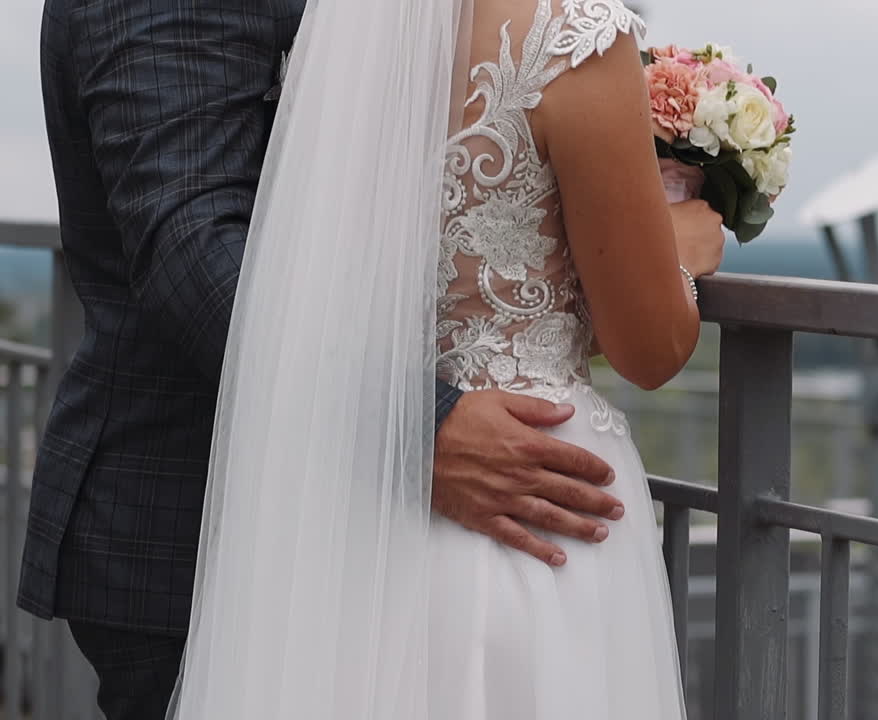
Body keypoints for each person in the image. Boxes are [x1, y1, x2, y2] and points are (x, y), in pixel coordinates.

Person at [23, 0, 725, 718]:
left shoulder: (372, 27)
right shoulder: (569, 37)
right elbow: (192, 253)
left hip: (356, 523)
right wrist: (423, 427)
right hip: (196, 520)